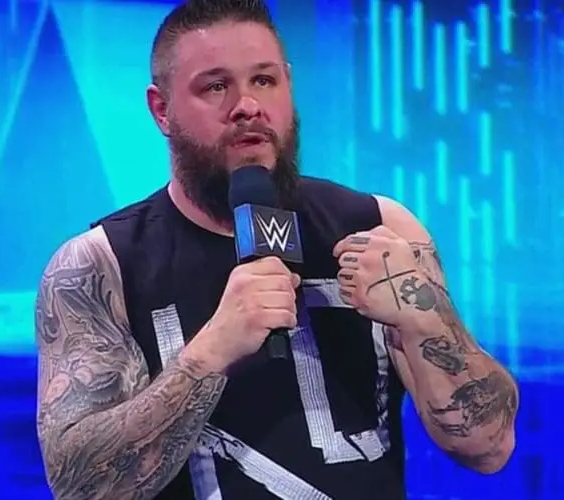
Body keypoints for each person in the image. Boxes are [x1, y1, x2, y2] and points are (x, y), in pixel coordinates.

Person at [34, 0, 520, 498]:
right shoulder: (100, 265)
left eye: (264, 80)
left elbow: (490, 447)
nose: (247, 105)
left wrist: (426, 318)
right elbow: (80, 487)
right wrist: (210, 353)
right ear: (162, 110)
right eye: (215, 86)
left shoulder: (381, 227)